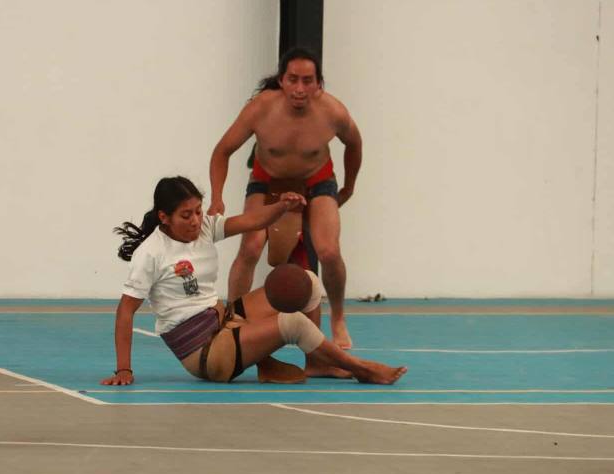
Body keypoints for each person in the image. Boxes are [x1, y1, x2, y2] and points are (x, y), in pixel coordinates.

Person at [102, 176, 405, 387]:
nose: (195, 220)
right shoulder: (151, 253)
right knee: (293, 324)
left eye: (197, 211)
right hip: (206, 354)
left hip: (224, 321)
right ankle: (362, 369)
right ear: (164, 217)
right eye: (186, 215)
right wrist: (125, 369)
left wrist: (282, 206)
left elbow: (252, 221)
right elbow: (125, 312)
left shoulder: (205, 227)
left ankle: (317, 362)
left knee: (307, 282)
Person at [209, 47, 360, 350]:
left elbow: (354, 144)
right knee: (250, 246)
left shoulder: (334, 112)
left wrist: (349, 187)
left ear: (319, 84)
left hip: (318, 181)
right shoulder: (261, 108)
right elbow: (222, 151)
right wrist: (217, 197)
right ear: (282, 80)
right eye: (293, 80)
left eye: (308, 81)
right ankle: (233, 318)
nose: (300, 89)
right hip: (268, 181)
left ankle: (339, 319)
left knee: (329, 251)